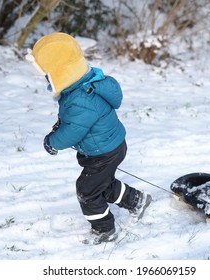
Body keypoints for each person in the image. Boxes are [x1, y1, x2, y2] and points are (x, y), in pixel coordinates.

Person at [26, 32, 152, 245]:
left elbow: (73, 131)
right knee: (101, 183)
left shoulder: (80, 99)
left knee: (87, 191)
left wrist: (52, 141)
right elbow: (73, 121)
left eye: (48, 76)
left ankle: (104, 230)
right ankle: (137, 201)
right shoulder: (83, 84)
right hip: (109, 147)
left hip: (104, 152)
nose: (47, 81)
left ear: (62, 73)